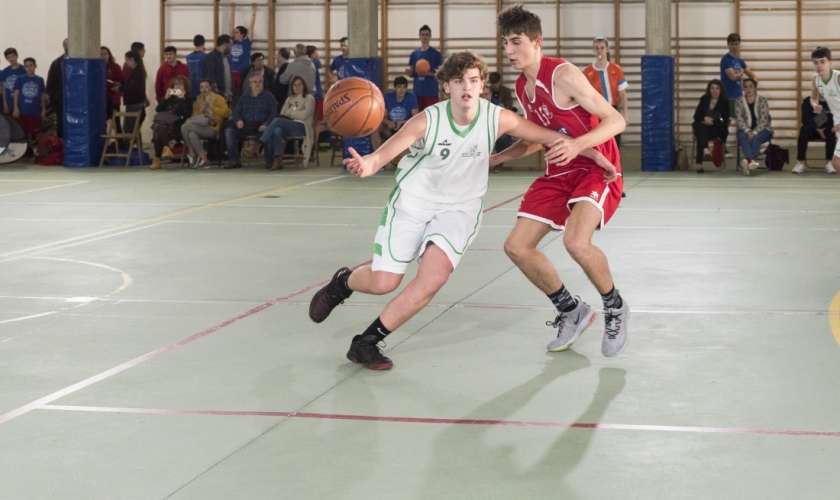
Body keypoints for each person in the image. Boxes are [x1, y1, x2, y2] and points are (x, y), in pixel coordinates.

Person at [307, 51, 616, 370]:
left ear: (482, 85)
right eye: (458, 81)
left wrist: (594, 155)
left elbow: (551, 137)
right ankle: (344, 282)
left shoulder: (497, 118)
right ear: (446, 86)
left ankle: (366, 343)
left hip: (459, 210)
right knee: (384, 282)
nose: (466, 87)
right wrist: (366, 165)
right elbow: (380, 157)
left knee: (433, 279)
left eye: (473, 80)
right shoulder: (427, 120)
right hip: (413, 203)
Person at [491, 6, 628, 357]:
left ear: (537, 42)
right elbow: (537, 139)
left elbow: (615, 120)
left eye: (516, 41)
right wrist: (495, 159)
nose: (509, 50)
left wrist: (579, 145)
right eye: (505, 42)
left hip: (597, 167)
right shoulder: (522, 87)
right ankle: (571, 309)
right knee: (517, 247)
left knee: (576, 242)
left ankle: (615, 307)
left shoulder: (563, 75)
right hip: (559, 170)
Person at [224, 73, 277, 169]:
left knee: (269, 131)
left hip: (261, 125)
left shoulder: (270, 97)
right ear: (250, 84)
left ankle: (269, 161)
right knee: (229, 131)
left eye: (260, 82)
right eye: (255, 82)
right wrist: (238, 121)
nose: (257, 84)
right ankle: (234, 161)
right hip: (245, 125)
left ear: (263, 83)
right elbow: (236, 113)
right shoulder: (243, 98)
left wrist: (266, 124)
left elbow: (273, 114)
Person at [260, 76, 314, 170]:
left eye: (299, 84)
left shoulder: (309, 98)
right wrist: (297, 111)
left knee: (277, 121)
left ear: (304, 85)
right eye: (295, 85)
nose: (297, 87)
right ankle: (278, 160)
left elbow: (303, 116)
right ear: (292, 87)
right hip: (288, 125)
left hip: (302, 127)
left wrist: (289, 112)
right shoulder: (289, 98)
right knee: (277, 130)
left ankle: (259, 143)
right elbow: (282, 114)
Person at [582, 37, 629, 147]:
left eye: (602, 48)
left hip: (613, 110)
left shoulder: (616, 69)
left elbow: (622, 94)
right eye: (597, 48)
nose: (600, 51)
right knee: (599, 144)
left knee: (615, 144)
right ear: (593, 50)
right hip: (595, 112)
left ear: (607, 49)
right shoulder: (587, 72)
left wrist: (625, 114)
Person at [181, 79, 231, 169]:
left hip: (213, 128)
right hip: (199, 126)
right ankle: (204, 160)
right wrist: (200, 110)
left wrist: (214, 108)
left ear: (210, 88)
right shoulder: (198, 100)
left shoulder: (218, 98)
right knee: (191, 134)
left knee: (185, 127)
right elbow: (193, 119)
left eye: (206, 87)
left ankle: (191, 152)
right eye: (201, 87)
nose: (204, 90)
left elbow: (227, 113)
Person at [151, 76, 193, 170]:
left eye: (181, 84)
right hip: (165, 126)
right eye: (176, 84)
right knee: (159, 126)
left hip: (177, 127)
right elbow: (158, 109)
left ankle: (157, 159)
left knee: (157, 128)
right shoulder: (169, 98)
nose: (178, 86)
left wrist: (181, 99)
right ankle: (166, 148)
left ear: (185, 87)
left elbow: (187, 114)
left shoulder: (188, 100)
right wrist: (165, 98)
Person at [809, 46, 840, 174]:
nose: (819, 65)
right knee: (837, 163)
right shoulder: (816, 79)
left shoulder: (838, 77)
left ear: (830, 63)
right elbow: (813, 98)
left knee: (836, 162)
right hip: (837, 119)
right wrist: (815, 105)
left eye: (822, 61)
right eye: (816, 62)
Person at [735, 78, 772, 175]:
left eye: (751, 86)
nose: (748, 89)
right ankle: (751, 161)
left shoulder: (762, 100)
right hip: (744, 130)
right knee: (742, 135)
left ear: (755, 88)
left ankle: (748, 161)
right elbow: (739, 119)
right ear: (743, 89)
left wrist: (754, 132)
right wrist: (748, 131)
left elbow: (764, 120)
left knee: (756, 137)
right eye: (746, 86)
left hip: (763, 130)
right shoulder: (738, 101)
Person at [691, 79, 729, 173]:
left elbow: (725, 120)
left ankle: (699, 163)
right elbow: (696, 116)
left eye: (717, 88)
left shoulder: (725, 102)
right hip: (703, 126)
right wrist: (704, 118)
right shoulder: (704, 99)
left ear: (720, 90)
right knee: (701, 129)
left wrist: (712, 121)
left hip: (716, 129)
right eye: (712, 88)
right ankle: (706, 151)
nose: (714, 91)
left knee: (701, 132)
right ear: (709, 89)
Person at [793, 97, 836, 174]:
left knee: (831, 131)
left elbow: (834, 119)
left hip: (826, 130)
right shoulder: (807, 101)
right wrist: (818, 130)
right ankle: (800, 162)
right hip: (812, 129)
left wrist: (826, 129)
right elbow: (805, 119)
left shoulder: (832, 101)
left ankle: (829, 162)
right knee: (803, 130)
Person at [374, 76, 418, 150]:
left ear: (406, 89)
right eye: (399, 87)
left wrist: (402, 122)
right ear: (395, 88)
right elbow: (381, 117)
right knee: (375, 128)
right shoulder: (388, 97)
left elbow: (415, 118)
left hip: (405, 129)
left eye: (404, 87)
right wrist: (389, 122)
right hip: (391, 127)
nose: (402, 90)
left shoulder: (411, 97)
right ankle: (377, 153)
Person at [405, 25, 443, 110]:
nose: (424, 37)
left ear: (430, 36)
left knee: (432, 115)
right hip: (418, 92)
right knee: (418, 115)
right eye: (422, 34)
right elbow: (412, 73)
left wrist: (429, 74)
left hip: (431, 92)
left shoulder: (436, 54)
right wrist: (409, 73)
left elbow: (440, 74)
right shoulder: (414, 54)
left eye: (427, 35)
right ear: (419, 36)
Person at [720, 33, 758, 118]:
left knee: (741, 120)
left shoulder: (740, 61)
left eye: (736, 44)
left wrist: (754, 82)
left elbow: (752, 75)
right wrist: (741, 73)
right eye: (732, 44)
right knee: (727, 120)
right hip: (728, 95)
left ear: (739, 45)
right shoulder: (725, 59)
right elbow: (733, 77)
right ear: (728, 45)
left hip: (738, 95)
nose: (734, 46)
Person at [12, 58, 46, 149]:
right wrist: (16, 108)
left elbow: (42, 95)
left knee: (38, 131)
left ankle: (42, 150)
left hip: (35, 110)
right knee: (27, 132)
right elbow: (16, 94)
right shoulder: (20, 79)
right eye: (26, 66)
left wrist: (43, 109)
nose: (29, 68)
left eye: (31, 65)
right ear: (24, 68)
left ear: (35, 66)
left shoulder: (40, 80)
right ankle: (29, 149)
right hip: (23, 110)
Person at [481, 84, 513, 171]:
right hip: (481, 131)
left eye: (486, 94)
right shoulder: (473, 106)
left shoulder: (498, 105)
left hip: (496, 130)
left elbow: (504, 123)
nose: (484, 97)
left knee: (503, 137)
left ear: (491, 94)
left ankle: (498, 163)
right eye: (482, 95)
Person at [228, 3, 257, 97]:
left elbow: (251, 27)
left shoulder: (246, 42)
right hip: (232, 71)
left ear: (242, 34)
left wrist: (254, 13)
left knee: (243, 93)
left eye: (236, 32)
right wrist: (232, 12)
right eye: (234, 32)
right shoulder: (231, 41)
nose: (234, 34)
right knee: (232, 94)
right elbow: (230, 27)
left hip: (243, 72)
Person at [121, 50, 147, 137]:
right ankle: (135, 144)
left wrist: (120, 88)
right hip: (135, 102)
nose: (126, 62)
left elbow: (133, 88)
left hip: (134, 103)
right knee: (133, 128)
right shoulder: (137, 71)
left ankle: (130, 144)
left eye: (126, 60)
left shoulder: (137, 72)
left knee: (129, 128)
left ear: (132, 59)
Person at [46, 39, 68, 138]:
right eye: (67, 44)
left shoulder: (81, 62)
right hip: (60, 100)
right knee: (61, 123)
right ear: (64, 46)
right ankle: (61, 142)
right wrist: (54, 98)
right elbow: (50, 83)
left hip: (77, 100)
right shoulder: (56, 63)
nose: (70, 46)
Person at [100, 46, 124, 133]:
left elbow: (121, 80)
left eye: (105, 54)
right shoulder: (96, 67)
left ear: (109, 54)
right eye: (101, 54)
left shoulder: (115, 67)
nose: (104, 56)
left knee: (116, 122)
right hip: (101, 99)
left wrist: (117, 85)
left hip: (113, 98)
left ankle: (120, 140)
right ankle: (104, 140)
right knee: (102, 122)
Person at [203, 35, 234, 102]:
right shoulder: (211, 57)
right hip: (218, 96)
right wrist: (216, 92)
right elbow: (210, 76)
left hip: (227, 95)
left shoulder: (226, 57)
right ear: (225, 44)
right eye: (230, 45)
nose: (231, 48)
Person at [1, 48, 26, 116]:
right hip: (9, 103)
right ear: (6, 59)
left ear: (17, 56)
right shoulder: (5, 71)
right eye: (8, 57)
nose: (11, 59)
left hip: (22, 103)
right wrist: (5, 103)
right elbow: (4, 89)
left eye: (13, 56)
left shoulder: (24, 69)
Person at [306, 46, 324, 124]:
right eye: (316, 52)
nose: (317, 54)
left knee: (310, 120)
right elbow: (321, 65)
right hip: (317, 94)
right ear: (312, 54)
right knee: (318, 120)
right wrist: (317, 57)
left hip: (308, 94)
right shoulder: (315, 62)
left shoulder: (305, 63)